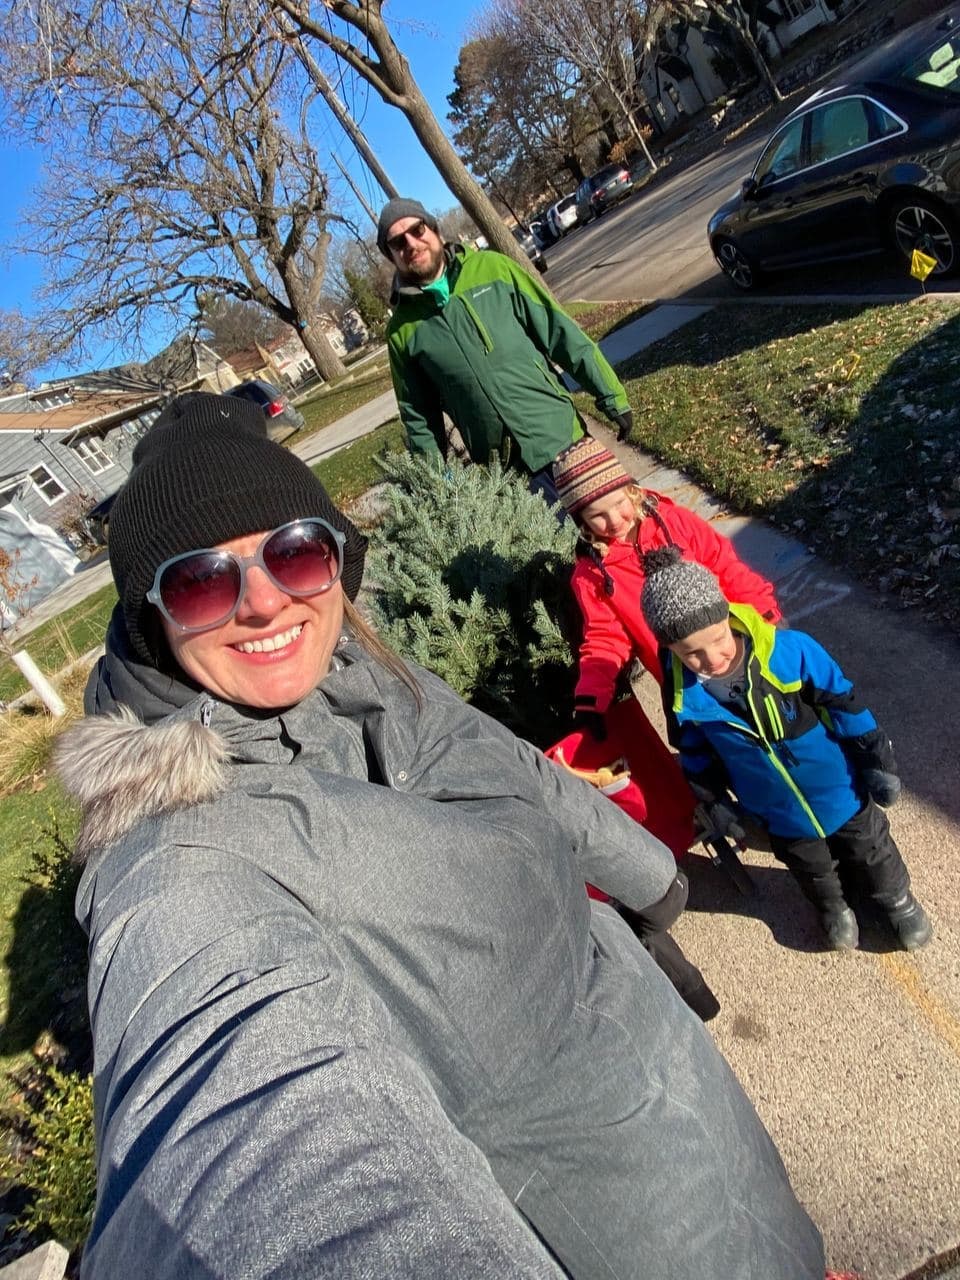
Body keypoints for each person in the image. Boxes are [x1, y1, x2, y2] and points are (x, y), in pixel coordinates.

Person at [55, 392, 826, 1280]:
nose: (265, 603)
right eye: (201, 579)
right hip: (603, 1224)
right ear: (152, 618)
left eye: (295, 552)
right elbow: (243, 1136)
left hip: (675, 1094)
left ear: (335, 559)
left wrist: (653, 883)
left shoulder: (369, 677)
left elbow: (518, 770)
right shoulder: (184, 862)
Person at [641, 544, 933, 953]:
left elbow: (842, 701)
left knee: (871, 849)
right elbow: (695, 755)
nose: (712, 658)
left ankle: (897, 902)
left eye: (718, 638)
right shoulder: (682, 698)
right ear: (670, 650)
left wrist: (875, 756)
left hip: (839, 788)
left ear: (728, 616)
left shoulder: (790, 652)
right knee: (811, 866)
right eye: (692, 653)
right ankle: (833, 907)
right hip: (777, 809)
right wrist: (719, 806)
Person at [549, 436, 782, 858]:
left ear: (630, 488)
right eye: (595, 516)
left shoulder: (675, 525)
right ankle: (756, 813)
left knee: (772, 729)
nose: (613, 521)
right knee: (722, 752)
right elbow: (603, 639)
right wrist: (590, 698)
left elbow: (725, 566)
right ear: (580, 520)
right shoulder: (593, 575)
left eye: (618, 504)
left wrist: (762, 611)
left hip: (734, 652)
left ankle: (795, 806)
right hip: (684, 683)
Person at [378, 197, 634, 505]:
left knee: (615, 525)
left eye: (417, 230)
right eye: (397, 241)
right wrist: (434, 483)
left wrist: (611, 395)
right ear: (391, 255)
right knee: (559, 552)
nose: (411, 243)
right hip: (506, 471)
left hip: (561, 435)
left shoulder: (493, 268)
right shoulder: (402, 331)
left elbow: (559, 332)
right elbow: (419, 417)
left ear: (434, 230)